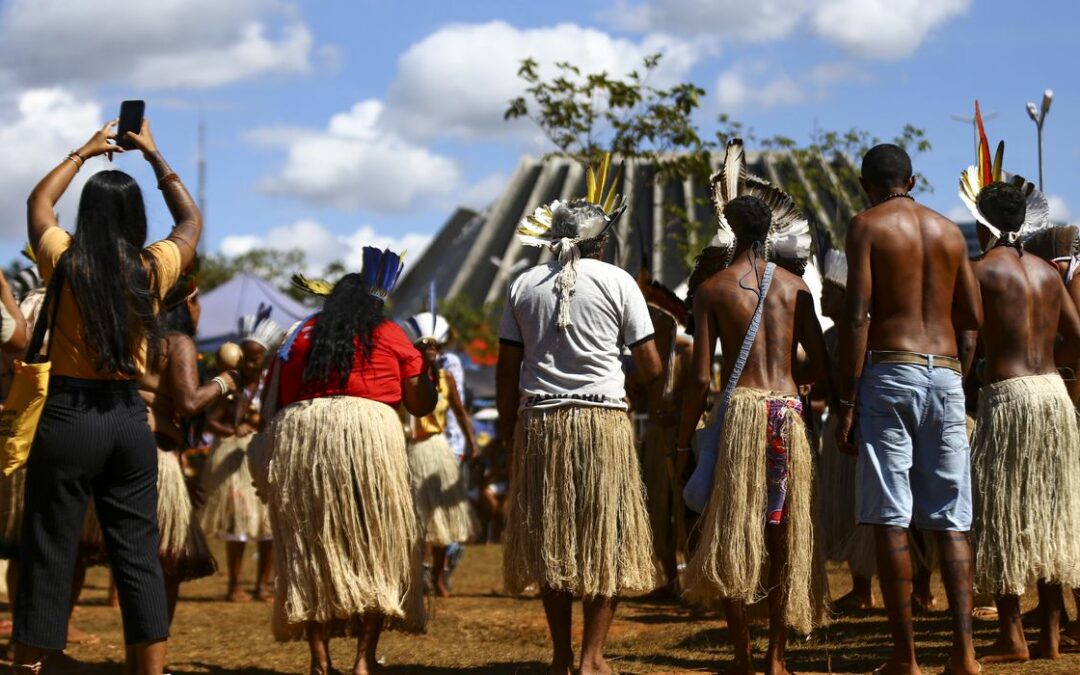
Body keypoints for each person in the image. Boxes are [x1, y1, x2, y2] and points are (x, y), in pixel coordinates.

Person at [15, 118, 201, 674]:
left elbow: (38, 201)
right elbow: (190, 220)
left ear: (88, 214)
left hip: (69, 414)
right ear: (134, 218)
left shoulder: (64, 259)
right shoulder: (153, 268)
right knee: (138, 554)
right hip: (128, 420)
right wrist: (154, 155)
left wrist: (85, 152)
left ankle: (27, 667)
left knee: (50, 548)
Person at [498, 157, 662, 675]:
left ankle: (561, 656)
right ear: (602, 242)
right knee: (604, 538)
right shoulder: (618, 282)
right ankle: (593, 657)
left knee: (552, 539)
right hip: (602, 421)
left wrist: (510, 431)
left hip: (541, 423)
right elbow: (652, 364)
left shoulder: (523, 285)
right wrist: (635, 387)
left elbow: (507, 369)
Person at [677, 142, 828, 675]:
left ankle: (741, 656)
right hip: (786, 411)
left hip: (740, 412)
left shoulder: (713, 290)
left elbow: (699, 378)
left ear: (732, 231)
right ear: (771, 232)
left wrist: (682, 440)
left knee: (732, 530)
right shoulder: (794, 287)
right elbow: (823, 365)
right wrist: (792, 384)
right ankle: (776, 658)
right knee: (785, 533)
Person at [834, 143, 982, 675]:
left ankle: (906, 658)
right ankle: (964, 656)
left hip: (890, 369)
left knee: (889, 514)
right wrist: (954, 369)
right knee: (951, 518)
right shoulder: (947, 231)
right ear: (913, 179)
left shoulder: (867, 224)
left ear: (864, 184)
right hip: (945, 372)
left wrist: (847, 399)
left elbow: (856, 316)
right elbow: (971, 314)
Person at [257, 249, 436, 675]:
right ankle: (362, 661)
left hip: (303, 436)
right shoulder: (388, 332)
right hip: (368, 436)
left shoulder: (300, 334)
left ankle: (320, 662)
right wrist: (429, 371)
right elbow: (420, 403)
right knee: (377, 544)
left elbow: (275, 399)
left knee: (311, 544)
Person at [963, 178, 1080, 661]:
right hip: (1054, 396)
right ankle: (1051, 638)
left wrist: (960, 383)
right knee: (1052, 513)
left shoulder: (979, 271)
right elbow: (1076, 332)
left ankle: (1012, 636)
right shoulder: (1048, 274)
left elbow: (967, 340)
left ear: (982, 222)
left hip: (1008, 397)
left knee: (1001, 513)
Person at [139, 277, 239, 623]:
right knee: (168, 560)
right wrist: (224, 382)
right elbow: (189, 401)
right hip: (154, 457)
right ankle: (150, 661)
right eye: (197, 304)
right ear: (186, 305)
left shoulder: (133, 339)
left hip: (126, 451)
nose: (199, 312)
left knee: (133, 559)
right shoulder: (176, 342)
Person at [201, 309, 284, 602]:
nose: (250, 363)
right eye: (246, 358)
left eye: (255, 358)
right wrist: (229, 430)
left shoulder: (273, 385)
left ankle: (263, 585)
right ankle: (234, 585)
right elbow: (209, 419)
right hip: (234, 461)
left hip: (263, 454)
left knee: (267, 522)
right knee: (238, 521)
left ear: (264, 358)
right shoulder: (230, 386)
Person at [815, 250, 877, 612]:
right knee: (849, 505)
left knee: (869, 507)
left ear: (845, 295)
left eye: (829, 291)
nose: (823, 298)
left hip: (865, 427)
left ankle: (918, 588)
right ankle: (862, 588)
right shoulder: (829, 336)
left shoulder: (864, 331)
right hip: (842, 427)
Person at [401, 313, 479, 598]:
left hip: (439, 448)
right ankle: (419, 575)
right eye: (425, 347)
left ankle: (438, 576)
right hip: (413, 448)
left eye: (435, 347)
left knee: (443, 516)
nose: (431, 352)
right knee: (420, 516)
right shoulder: (405, 378)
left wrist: (473, 442)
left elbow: (460, 411)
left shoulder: (446, 379)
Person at [635, 273, 692, 595]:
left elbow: (697, 393)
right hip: (658, 436)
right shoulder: (644, 353)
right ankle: (670, 580)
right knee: (659, 510)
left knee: (686, 511)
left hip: (682, 435)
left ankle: (693, 579)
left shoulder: (687, 354)